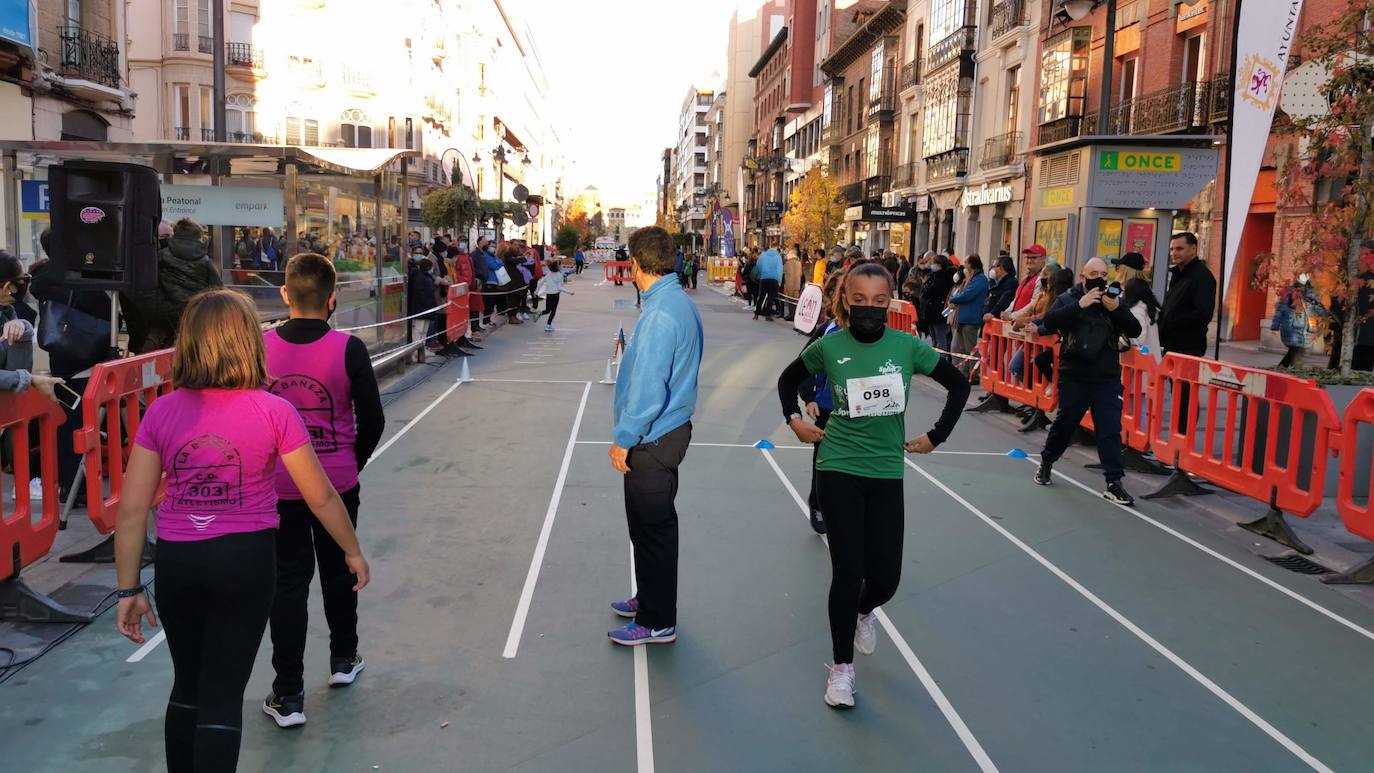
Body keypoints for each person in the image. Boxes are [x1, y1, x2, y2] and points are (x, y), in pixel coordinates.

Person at [113, 289, 371, 773]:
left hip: (179, 560)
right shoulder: (275, 412)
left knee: (186, 685)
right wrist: (351, 550)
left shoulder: (162, 412)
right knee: (222, 694)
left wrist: (128, 587)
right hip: (246, 559)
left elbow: (131, 511)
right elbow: (319, 496)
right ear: (250, 342)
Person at [776, 262, 969, 708]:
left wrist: (936, 436)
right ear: (845, 300)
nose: (868, 309)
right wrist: (795, 419)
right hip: (838, 465)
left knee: (885, 578)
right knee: (847, 570)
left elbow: (958, 386)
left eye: (879, 302)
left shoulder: (907, 348)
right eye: (859, 301)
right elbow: (790, 379)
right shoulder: (830, 346)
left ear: (891, 303)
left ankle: (865, 609)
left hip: (886, 470)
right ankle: (841, 668)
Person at [262, 254, 385, 728]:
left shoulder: (261, 346)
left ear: (286, 295)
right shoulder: (348, 349)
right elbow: (372, 419)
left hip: (277, 485)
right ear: (333, 299)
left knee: (287, 584)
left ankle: (288, 693)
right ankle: (344, 658)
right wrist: (350, 465)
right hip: (335, 480)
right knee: (341, 569)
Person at [607, 227, 703, 647]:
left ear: (636, 264)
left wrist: (624, 437)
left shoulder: (662, 313)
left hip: (653, 437)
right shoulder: (673, 302)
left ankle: (657, 620)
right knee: (648, 528)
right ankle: (649, 598)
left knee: (653, 530)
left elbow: (648, 388)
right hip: (668, 431)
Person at [1033, 258, 1142, 505]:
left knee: (1110, 430)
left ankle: (1114, 482)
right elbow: (1049, 322)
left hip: (1107, 378)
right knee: (1065, 425)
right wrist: (1080, 306)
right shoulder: (1069, 299)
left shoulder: (1114, 301)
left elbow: (1134, 330)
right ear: (1083, 278)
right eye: (1094, 273)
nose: (1100, 278)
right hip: (1075, 376)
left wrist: (1116, 309)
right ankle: (1047, 461)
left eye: (1104, 274)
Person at [796, 271, 846, 535]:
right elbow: (801, 366)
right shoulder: (826, 332)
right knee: (825, 458)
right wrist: (810, 397)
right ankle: (818, 504)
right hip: (828, 405)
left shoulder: (875, 333)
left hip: (861, 410)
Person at [1158, 232, 1216, 429]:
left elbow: (1203, 313)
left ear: (1194, 248)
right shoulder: (1178, 274)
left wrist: (1173, 320)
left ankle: (1184, 434)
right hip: (1173, 344)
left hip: (1189, 346)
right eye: (1173, 249)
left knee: (1185, 394)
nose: (1174, 253)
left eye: (1180, 249)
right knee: (1177, 393)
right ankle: (1179, 433)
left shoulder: (1202, 277)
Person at [139, 218, 224, 353]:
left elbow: (148, 284)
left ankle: (142, 368)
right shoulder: (205, 261)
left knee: (155, 337)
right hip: (195, 312)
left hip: (165, 310)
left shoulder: (161, 256)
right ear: (198, 237)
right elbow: (218, 289)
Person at [947, 254, 988, 375]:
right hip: (963, 317)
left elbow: (967, 295)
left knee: (970, 349)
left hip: (971, 318)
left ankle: (973, 374)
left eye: (966, 262)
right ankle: (964, 372)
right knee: (962, 349)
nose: (964, 265)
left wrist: (953, 299)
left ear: (971, 264)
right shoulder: (970, 278)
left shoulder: (980, 279)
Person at [1273, 276, 1323, 368]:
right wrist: (1275, 327)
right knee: (1295, 349)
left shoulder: (1308, 296)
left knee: (1296, 351)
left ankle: (1289, 369)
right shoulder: (1291, 295)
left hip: (1300, 328)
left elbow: (1313, 313)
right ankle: (1283, 368)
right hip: (1292, 328)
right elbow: (1280, 310)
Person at [922, 255, 956, 355]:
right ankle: (935, 357)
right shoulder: (934, 276)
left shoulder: (943, 277)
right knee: (934, 337)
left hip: (939, 311)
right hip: (932, 311)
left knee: (940, 337)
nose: (931, 265)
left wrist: (927, 287)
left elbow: (931, 290)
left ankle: (941, 358)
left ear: (939, 265)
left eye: (933, 263)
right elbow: (924, 290)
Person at [1123, 276, 1162, 359]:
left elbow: (1137, 338)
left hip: (1143, 364)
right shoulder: (1149, 309)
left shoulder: (1138, 311)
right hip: (1152, 361)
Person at [537, 258, 573, 332]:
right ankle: (548, 325)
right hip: (555, 295)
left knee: (547, 310)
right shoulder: (560, 276)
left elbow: (540, 282)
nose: (562, 266)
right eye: (561, 265)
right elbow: (560, 288)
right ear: (558, 267)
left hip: (548, 294)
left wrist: (536, 292)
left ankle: (540, 313)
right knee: (553, 311)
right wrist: (569, 292)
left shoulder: (548, 274)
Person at [782, 246, 804, 321]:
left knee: (790, 301)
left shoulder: (787, 263)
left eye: (788, 254)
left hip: (789, 284)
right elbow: (801, 274)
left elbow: (784, 272)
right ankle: (795, 315)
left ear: (791, 255)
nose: (787, 256)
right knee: (795, 302)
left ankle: (791, 315)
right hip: (797, 284)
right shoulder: (799, 263)